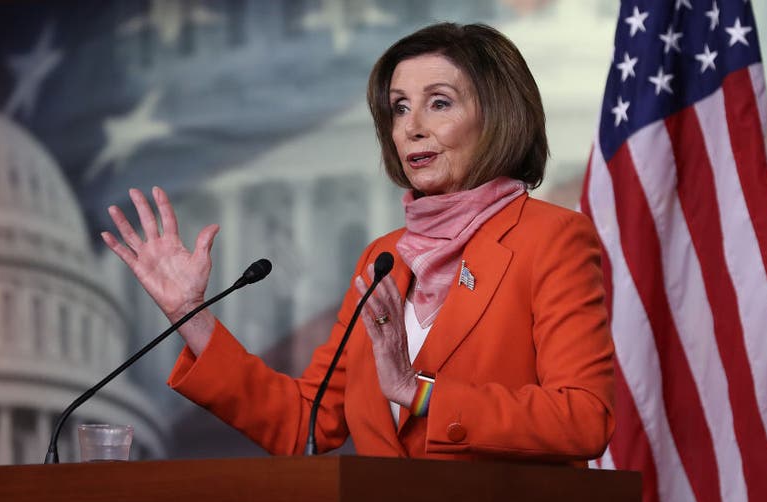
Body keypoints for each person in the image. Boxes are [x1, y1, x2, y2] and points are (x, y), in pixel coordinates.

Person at [102, 23, 614, 463]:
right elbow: (307, 421)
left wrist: (418, 395)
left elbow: (584, 418)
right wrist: (191, 315)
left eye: (439, 103)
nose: (411, 127)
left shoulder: (551, 238)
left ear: (498, 116)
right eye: (398, 108)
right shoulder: (385, 257)